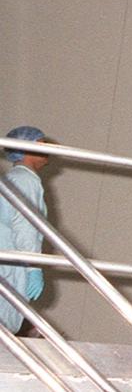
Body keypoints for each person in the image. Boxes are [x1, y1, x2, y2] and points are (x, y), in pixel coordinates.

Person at [0, 126, 51, 333]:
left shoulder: (13, 179)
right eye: (41, 142)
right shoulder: (26, 180)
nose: (46, 148)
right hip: (12, 266)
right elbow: (26, 228)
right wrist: (33, 267)